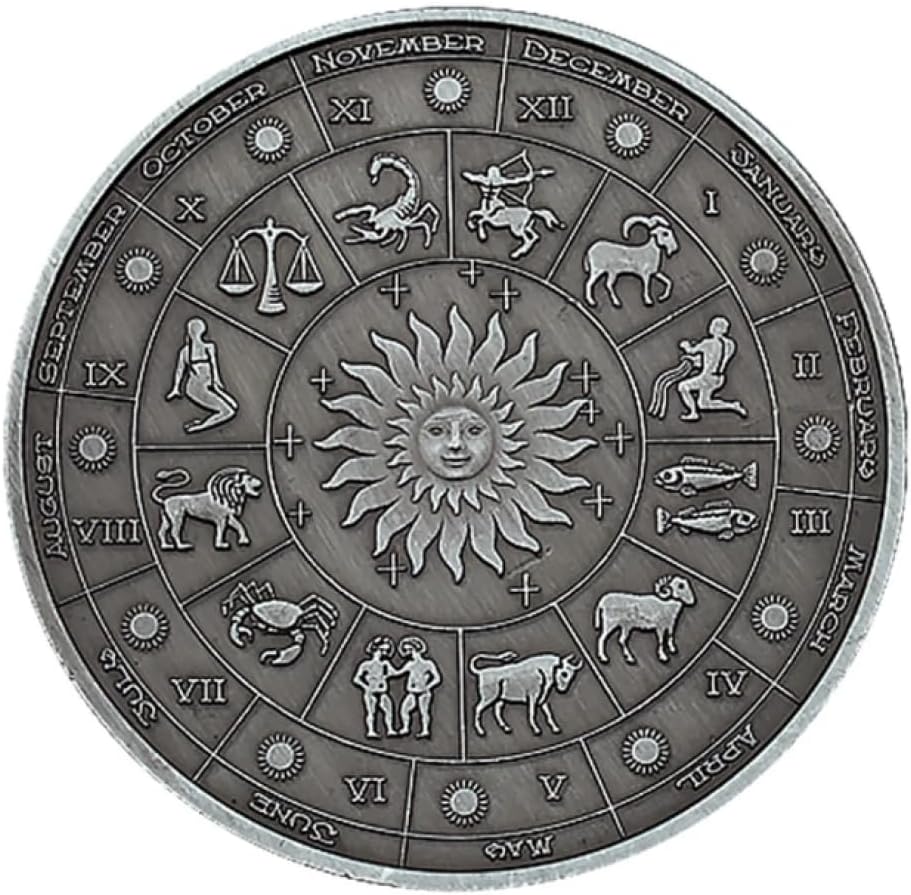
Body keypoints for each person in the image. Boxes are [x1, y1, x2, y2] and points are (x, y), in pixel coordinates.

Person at [166, 318, 238, 433]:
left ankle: (201, 424)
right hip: (195, 388)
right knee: (228, 412)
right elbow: (180, 370)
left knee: (234, 406)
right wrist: (176, 388)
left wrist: (216, 382)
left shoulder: (209, 347)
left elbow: (214, 365)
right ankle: (198, 427)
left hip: (210, 386)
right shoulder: (185, 351)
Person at [676, 316, 748, 421]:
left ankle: (693, 412)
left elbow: (691, 351)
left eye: (713, 325)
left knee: (683, 387)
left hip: (707, 377)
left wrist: (685, 345)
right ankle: (732, 405)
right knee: (703, 403)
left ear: (717, 328)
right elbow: (715, 359)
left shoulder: (708, 343)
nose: (711, 327)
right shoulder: (731, 344)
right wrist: (698, 361)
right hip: (719, 378)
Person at [352, 636, 400, 739]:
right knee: (371, 712)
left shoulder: (385, 664)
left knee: (388, 710)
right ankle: (371, 731)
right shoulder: (366, 665)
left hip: (383, 691)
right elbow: (356, 679)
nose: (385, 653)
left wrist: (409, 667)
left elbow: (396, 673)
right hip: (371, 692)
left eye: (386, 651)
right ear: (375, 649)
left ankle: (390, 729)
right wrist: (366, 687)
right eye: (383, 650)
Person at [397, 636, 441, 739]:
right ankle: (406, 728)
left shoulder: (428, 664)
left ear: (415, 648)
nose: (407, 652)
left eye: (409, 649)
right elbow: (398, 672)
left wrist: (428, 687)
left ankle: (425, 730)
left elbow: (437, 678)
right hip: (412, 692)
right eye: (406, 650)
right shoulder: (410, 664)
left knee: (424, 712)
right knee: (404, 709)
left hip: (423, 692)